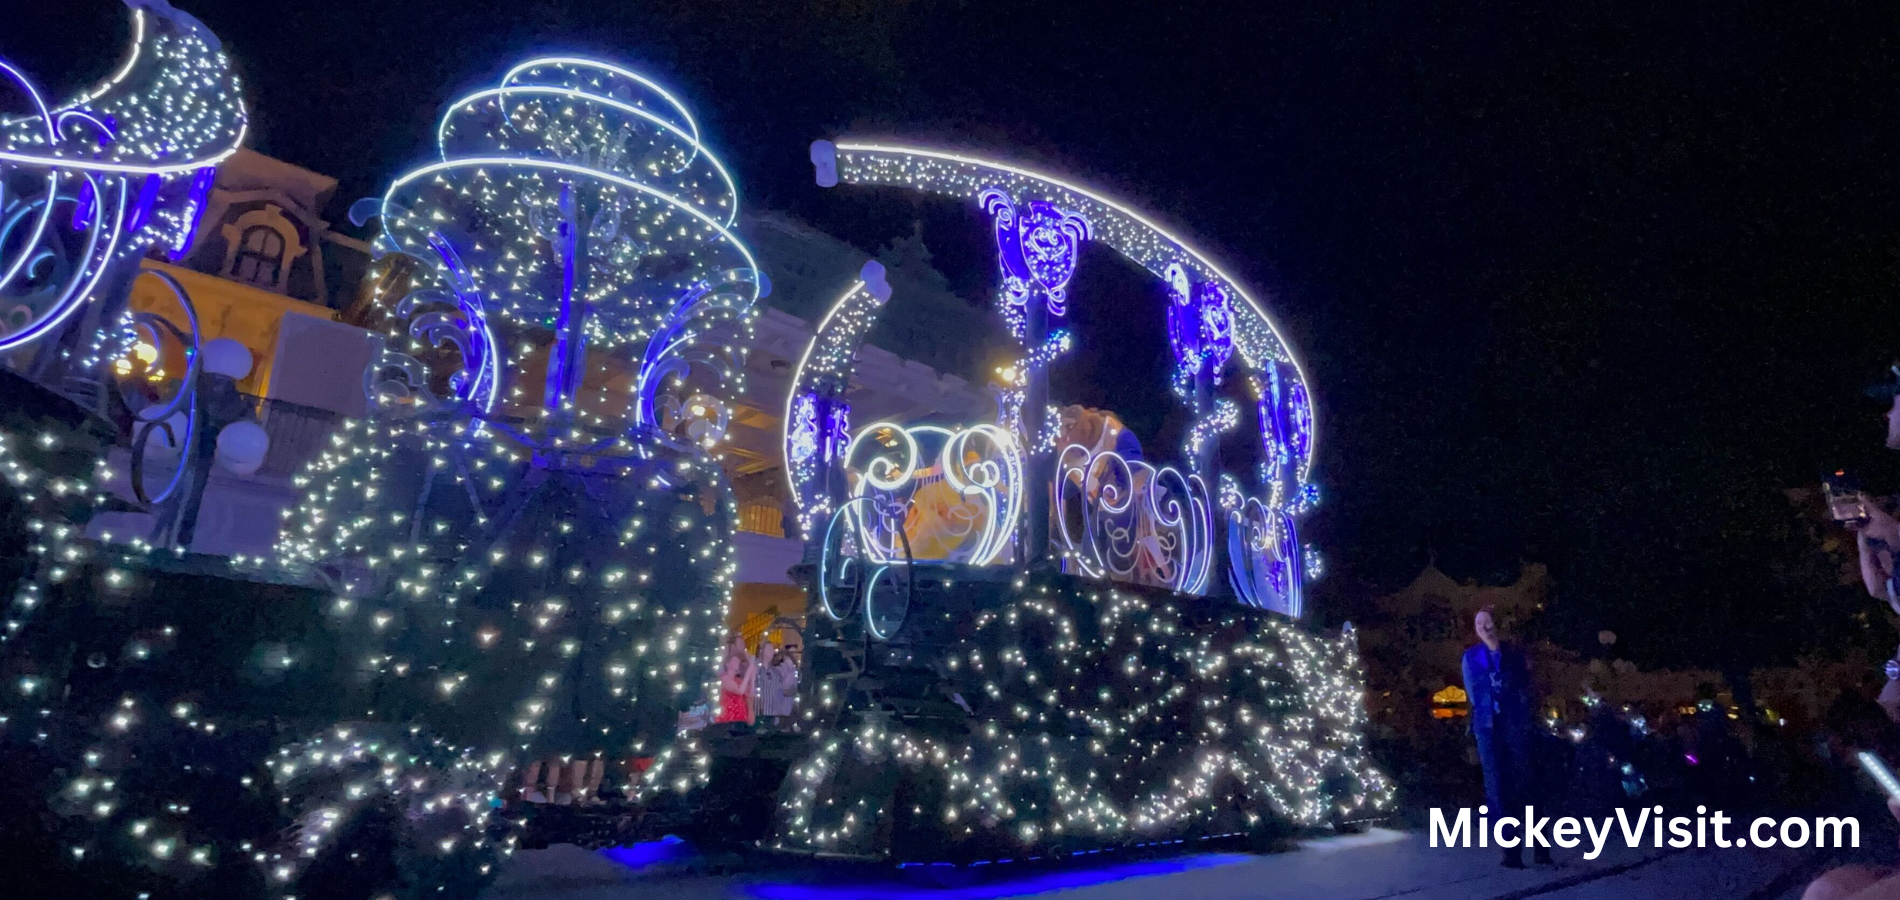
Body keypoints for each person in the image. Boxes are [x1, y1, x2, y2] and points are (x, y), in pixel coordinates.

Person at [1461, 605, 1552, 868]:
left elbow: (1528, 686)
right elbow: (1472, 693)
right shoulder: (1471, 657)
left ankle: (1541, 848)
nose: (1484, 627)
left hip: (1517, 726)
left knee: (1527, 784)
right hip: (1488, 729)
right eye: (1479, 624)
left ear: (1496, 624)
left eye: (1488, 622)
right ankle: (1511, 852)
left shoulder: (1514, 653)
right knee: (1497, 789)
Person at [714, 633, 757, 724]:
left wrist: (752, 678)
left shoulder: (739, 680)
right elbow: (739, 691)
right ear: (727, 663)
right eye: (734, 659)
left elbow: (750, 694)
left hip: (741, 717)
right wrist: (749, 672)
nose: (737, 661)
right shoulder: (724, 678)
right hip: (727, 718)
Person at [756, 641, 799, 724]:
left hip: (775, 713)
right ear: (762, 651)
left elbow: (782, 688)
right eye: (768, 649)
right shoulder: (756, 669)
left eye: (772, 649)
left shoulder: (775, 671)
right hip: (760, 712)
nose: (771, 652)